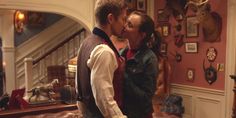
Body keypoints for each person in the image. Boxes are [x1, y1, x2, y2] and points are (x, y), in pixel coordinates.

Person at [76, 0, 127, 118]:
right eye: (123, 19)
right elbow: (104, 99)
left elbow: (79, 90)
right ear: (111, 18)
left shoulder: (86, 43)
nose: (124, 24)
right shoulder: (104, 51)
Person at [121, 11, 160, 118]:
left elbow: (146, 98)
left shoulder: (150, 59)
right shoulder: (121, 53)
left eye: (130, 25)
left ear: (142, 35)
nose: (124, 26)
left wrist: (124, 74)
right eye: (126, 22)